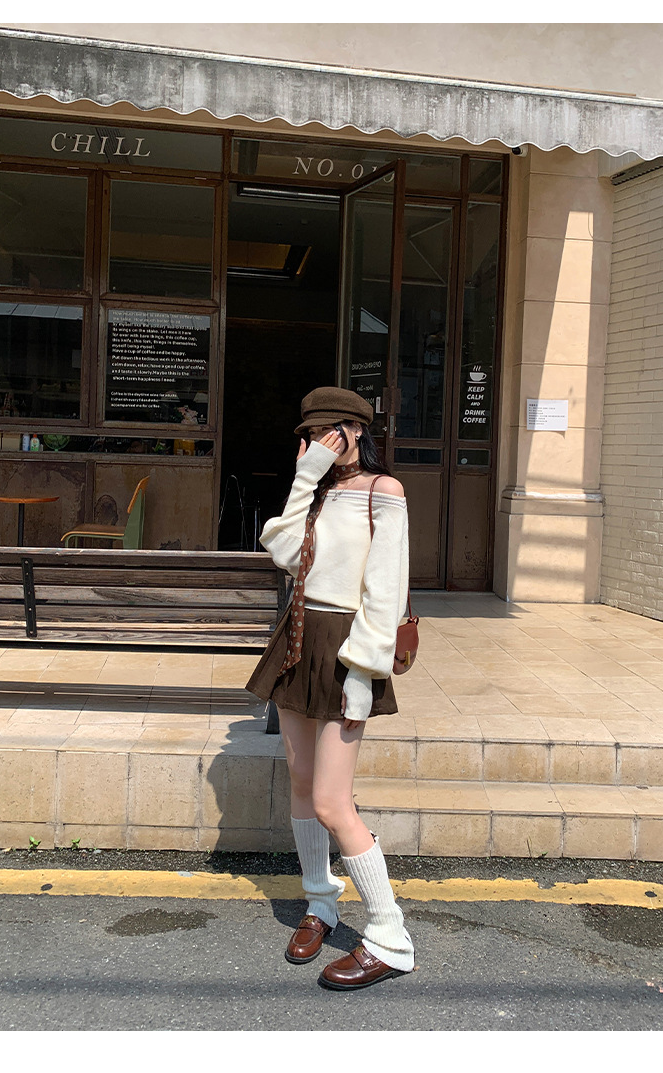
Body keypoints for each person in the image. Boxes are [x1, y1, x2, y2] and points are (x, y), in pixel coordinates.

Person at [247, 386, 414, 991]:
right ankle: (321, 902)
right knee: (300, 779)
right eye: (312, 433)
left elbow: (386, 592)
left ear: (356, 431)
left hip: (347, 646)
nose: (320, 441)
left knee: (331, 801)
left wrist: (364, 676)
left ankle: (391, 936)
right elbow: (283, 553)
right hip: (299, 636)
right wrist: (305, 477)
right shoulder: (315, 490)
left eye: (331, 431)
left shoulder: (383, 491)